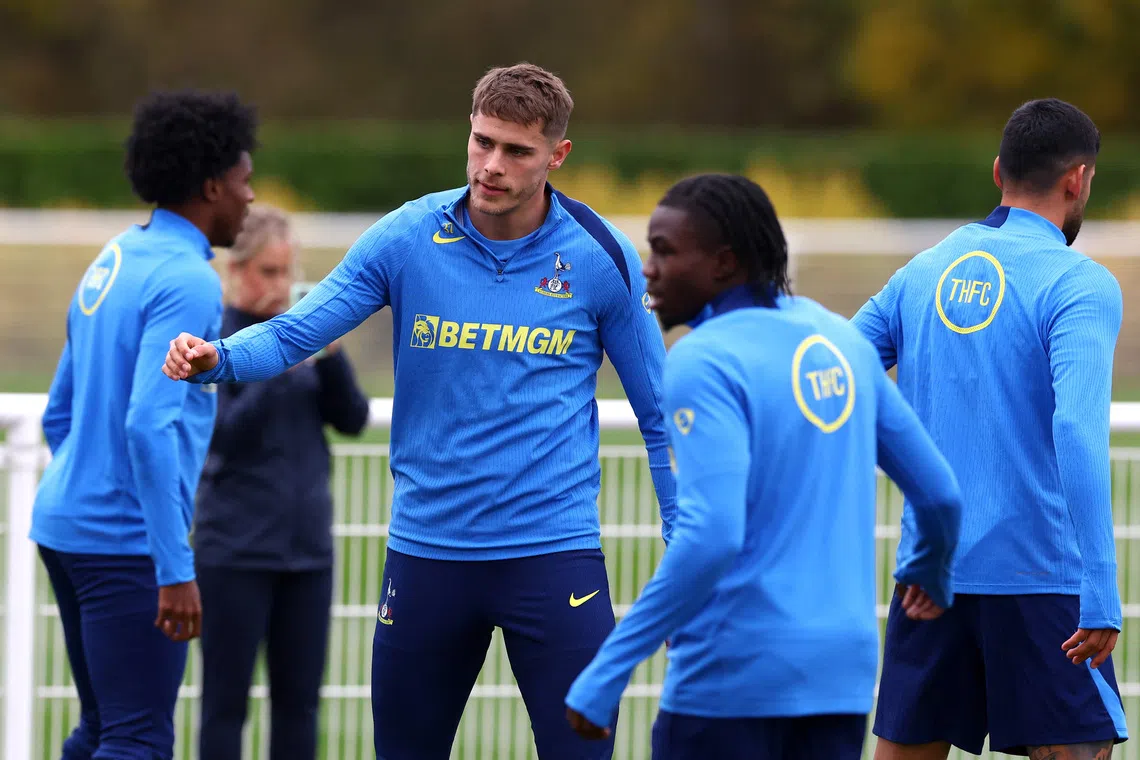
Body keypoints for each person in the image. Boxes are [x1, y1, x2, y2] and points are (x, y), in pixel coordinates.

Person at [160, 62, 675, 760]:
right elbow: (294, 332)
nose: (491, 166)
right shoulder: (408, 236)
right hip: (428, 556)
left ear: (557, 155)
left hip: (554, 557)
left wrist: (683, 545)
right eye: (482, 141)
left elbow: (661, 415)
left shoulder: (598, 254)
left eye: (516, 151)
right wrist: (216, 357)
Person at [563, 173, 963, 760]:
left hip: (731, 679)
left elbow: (712, 535)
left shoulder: (704, 359)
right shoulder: (843, 342)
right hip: (840, 677)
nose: (649, 270)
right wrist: (932, 570)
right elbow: (941, 496)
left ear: (723, 263)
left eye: (665, 252)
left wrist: (609, 669)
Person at [853, 98, 1128, 759]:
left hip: (930, 575)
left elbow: (836, 374)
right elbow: (1078, 432)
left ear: (999, 171)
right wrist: (1099, 583)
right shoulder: (1079, 283)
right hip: (1041, 577)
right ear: (1078, 180)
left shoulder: (920, 273)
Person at [30, 90, 256, 759]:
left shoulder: (117, 255)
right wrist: (173, 567)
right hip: (123, 544)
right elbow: (148, 425)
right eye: (244, 180)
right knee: (137, 741)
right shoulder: (189, 279)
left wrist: (89, 487)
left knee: (103, 729)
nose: (250, 197)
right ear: (212, 186)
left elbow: (59, 410)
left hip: (65, 523)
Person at [192, 205, 371, 760]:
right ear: (236, 271)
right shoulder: (215, 338)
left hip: (307, 554)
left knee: (300, 706)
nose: (280, 285)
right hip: (234, 551)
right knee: (225, 705)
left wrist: (331, 357)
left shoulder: (306, 337)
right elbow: (221, 436)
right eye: (267, 271)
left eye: (287, 271)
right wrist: (276, 366)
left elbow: (353, 419)